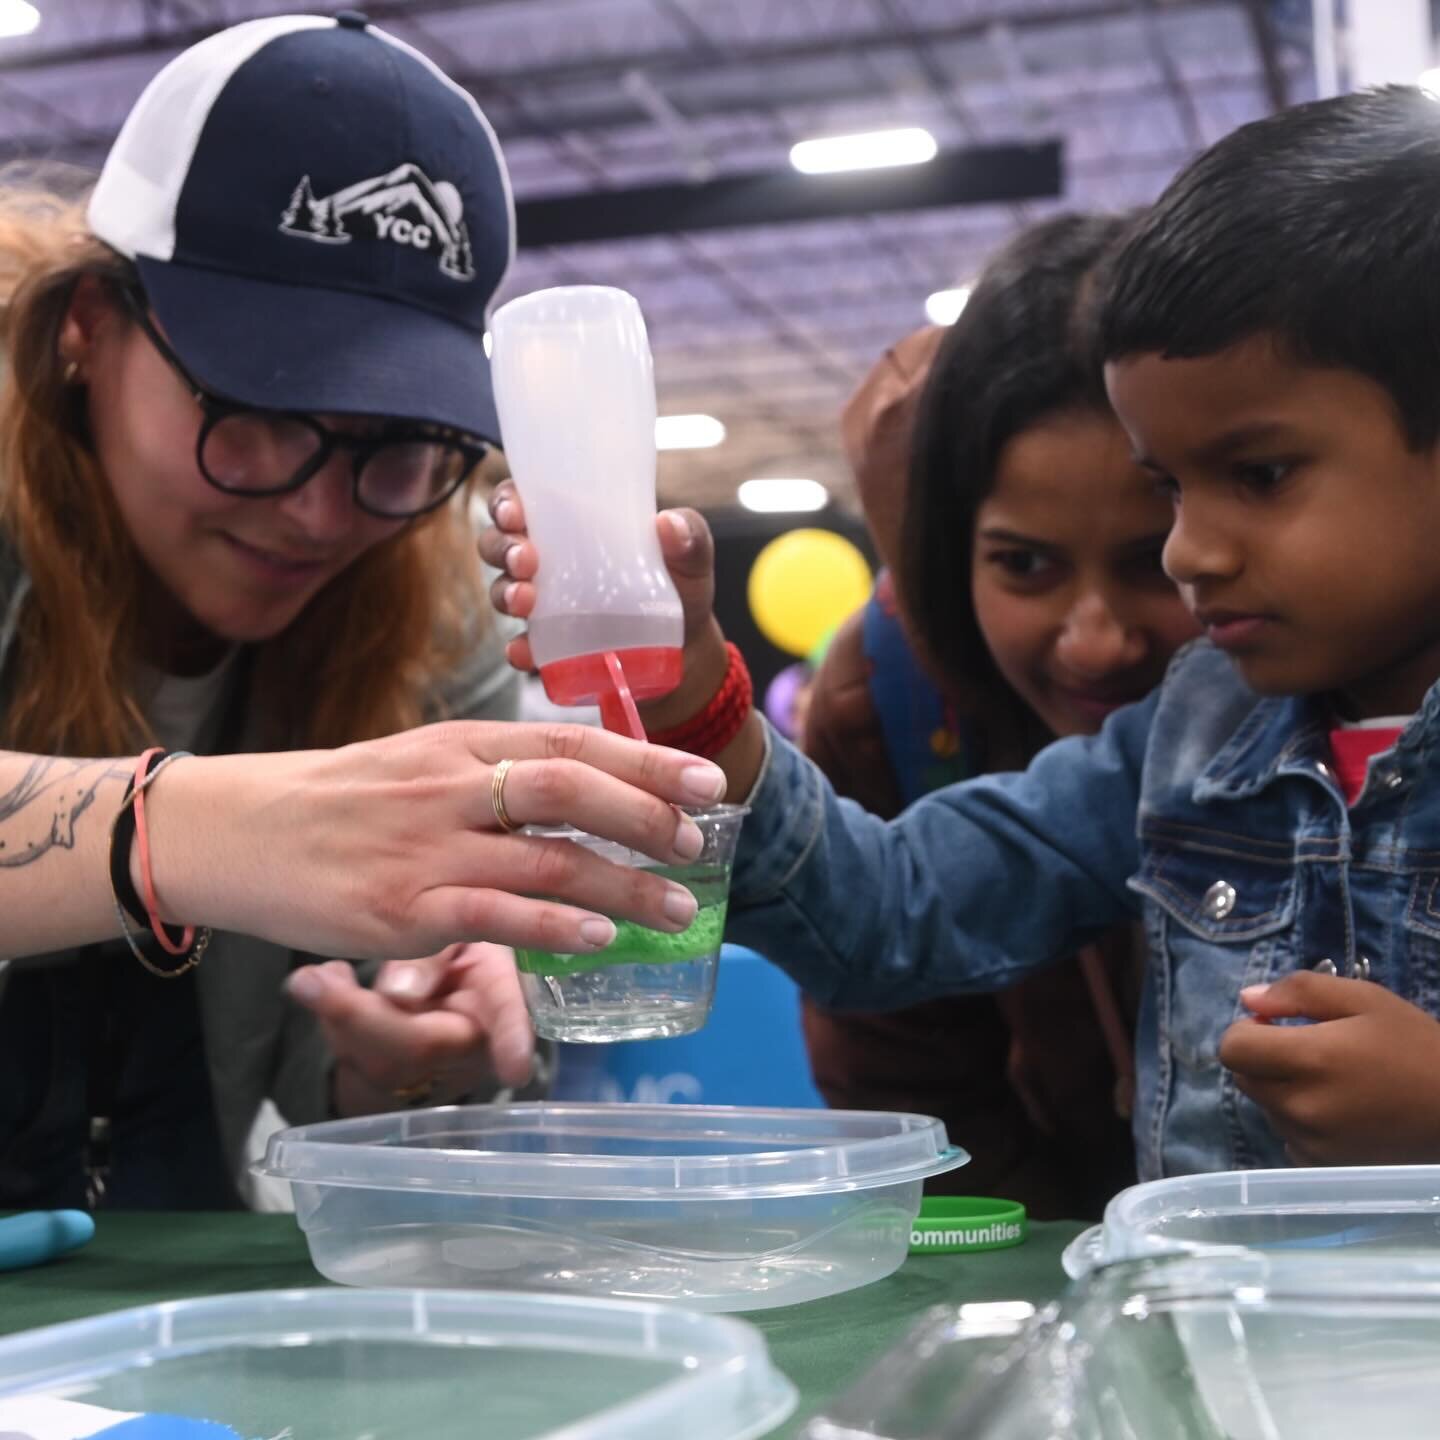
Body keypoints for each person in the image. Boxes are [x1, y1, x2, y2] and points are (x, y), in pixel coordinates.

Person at [489, 86, 1440, 1177]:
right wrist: (699, 697)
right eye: (1172, 488)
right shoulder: (1185, 736)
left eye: (1261, 475)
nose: (1191, 551)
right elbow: (894, 912)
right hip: (1218, 1327)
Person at [0, 12, 724, 1210]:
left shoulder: (426, 599)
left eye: (397, 446)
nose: (325, 516)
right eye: (261, 414)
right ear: (86, 328)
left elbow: (290, 1065)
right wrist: (185, 833)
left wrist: (392, 1068)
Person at [800, 219, 1200, 1216]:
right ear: (949, 545)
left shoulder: (1346, 677)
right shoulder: (880, 708)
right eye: (1025, 564)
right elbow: (910, 1104)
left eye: (1155, 559)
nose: (1096, 641)